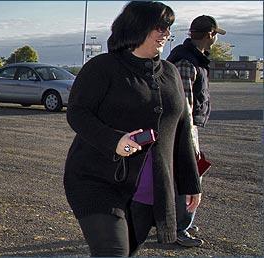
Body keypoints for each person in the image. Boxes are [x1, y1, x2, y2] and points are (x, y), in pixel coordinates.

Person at [63, 2, 203, 256]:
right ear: (137, 27)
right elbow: (77, 113)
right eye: (160, 27)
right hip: (97, 180)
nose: (166, 34)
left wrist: (191, 182)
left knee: (127, 252)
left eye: (169, 28)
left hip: (148, 190)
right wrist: (114, 140)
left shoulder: (171, 73)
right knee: (113, 252)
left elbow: (181, 128)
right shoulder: (102, 68)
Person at [166, 14, 226, 248]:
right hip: (182, 128)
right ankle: (180, 227)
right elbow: (183, 107)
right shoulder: (186, 62)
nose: (216, 39)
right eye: (216, 34)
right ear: (210, 34)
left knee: (182, 175)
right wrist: (189, 140)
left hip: (184, 127)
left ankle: (179, 223)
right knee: (189, 174)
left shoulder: (193, 58)